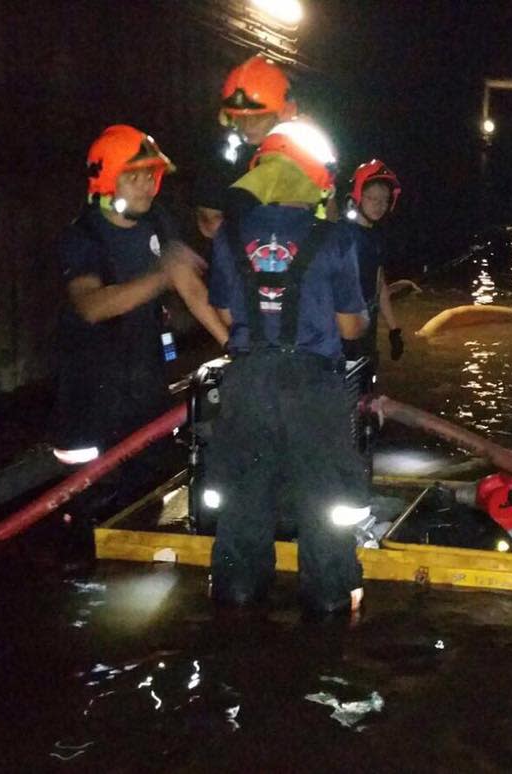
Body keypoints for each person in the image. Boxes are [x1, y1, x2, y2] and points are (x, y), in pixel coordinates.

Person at [204, 119, 370, 615]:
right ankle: (330, 597)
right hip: (313, 388)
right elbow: (350, 328)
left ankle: (236, 593)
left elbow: (227, 313)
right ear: (315, 180)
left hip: (248, 383)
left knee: (244, 496)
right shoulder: (337, 238)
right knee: (325, 502)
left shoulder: (227, 237)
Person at [51, 124, 228, 483]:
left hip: (146, 398)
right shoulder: (82, 236)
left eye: (152, 176)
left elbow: (192, 290)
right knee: (94, 515)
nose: (149, 186)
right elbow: (91, 306)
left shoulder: (157, 221)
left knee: (148, 504)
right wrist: (162, 275)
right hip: (92, 409)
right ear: (108, 180)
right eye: (137, 178)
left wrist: (237, 347)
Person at [193, 55, 297, 242]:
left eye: (258, 117)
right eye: (240, 117)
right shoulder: (221, 156)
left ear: (283, 112)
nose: (248, 125)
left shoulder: (305, 154)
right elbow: (209, 224)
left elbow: (326, 218)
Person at [342, 159, 405, 365]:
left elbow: (379, 284)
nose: (380, 205)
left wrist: (394, 329)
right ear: (359, 195)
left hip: (367, 324)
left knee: (366, 385)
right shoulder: (341, 237)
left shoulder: (376, 236)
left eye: (385, 200)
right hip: (344, 329)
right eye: (374, 199)